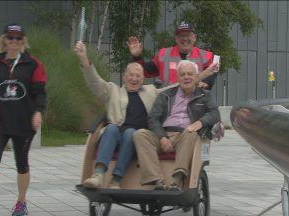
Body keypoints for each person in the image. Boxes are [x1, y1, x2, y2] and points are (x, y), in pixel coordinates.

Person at [74, 41, 182, 189]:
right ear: (124, 77)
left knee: (132, 133)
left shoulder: (151, 91)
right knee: (111, 128)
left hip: (139, 138)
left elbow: (171, 89)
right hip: (115, 135)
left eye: (138, 76)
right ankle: (98, 175)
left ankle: (116, 180)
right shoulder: (113, 91)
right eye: (131, 75)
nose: (134, 79)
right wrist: (83, 58)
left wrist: (197, 80)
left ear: (142, 79)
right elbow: (95, 82)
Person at [0, 23, 47, 216]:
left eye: (17, 38)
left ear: (23, 41)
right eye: (10, 38)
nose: (13, 42)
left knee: (21, 163)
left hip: (23, 122)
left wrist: (38, 112)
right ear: (4, 40)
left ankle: (21, 202)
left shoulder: (33, 64)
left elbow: (39, 92)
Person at [133, 60, 220, 191]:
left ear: (197, 77)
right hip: (164, 134)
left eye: (190, 74)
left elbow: (214, 113)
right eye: (183, 74)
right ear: (178, 77)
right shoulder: (166, 95)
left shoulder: (205, 95)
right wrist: (162, 137)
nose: (186, 77)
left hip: (185, 135)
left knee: (190, 133)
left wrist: (199, 122)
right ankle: (156, 180)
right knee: (140, 134)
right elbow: (153, 118)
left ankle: (177, 179)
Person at [127, 21, 219, 90]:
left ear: (194, 37)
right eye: (181, 36)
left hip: (195, 104)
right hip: (168, 104)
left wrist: (206, 83)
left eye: (188, 35)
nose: (185, 39)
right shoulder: (163, 54)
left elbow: (212, 73)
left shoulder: (206, 56)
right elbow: (146, 72)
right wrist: (137, 56)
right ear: (175, 38)